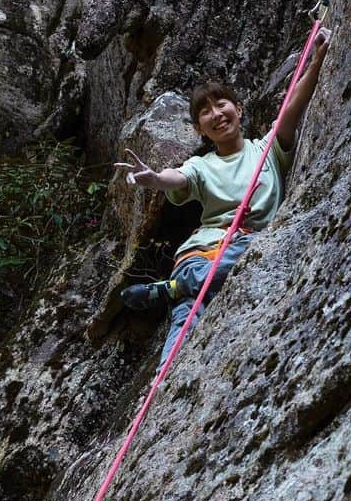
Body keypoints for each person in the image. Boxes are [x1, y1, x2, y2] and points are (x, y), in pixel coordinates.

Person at [115, 29, 331, 370]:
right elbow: (180, 177)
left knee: (191, 309)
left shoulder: (266, 150)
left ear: (239, 109)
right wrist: (156, 178)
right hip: (202, 255)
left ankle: (174, 290)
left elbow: (292, 108)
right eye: (205, 112)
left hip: (236, 252)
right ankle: (160, 383)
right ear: (200, 129)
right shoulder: (202, 165)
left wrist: (317, 60)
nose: (216, 114)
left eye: (221, 104)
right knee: (182, 331)